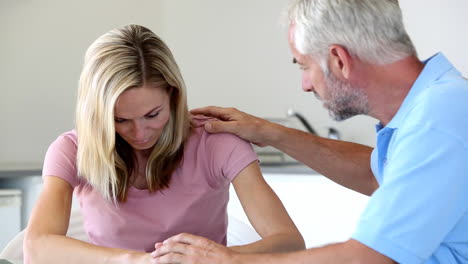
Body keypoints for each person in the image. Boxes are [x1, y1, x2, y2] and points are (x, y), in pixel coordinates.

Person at [151, 0, 468, 263]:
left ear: (339, 59)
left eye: (304, 66)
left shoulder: (439, 118)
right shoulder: (435, 107)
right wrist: (269, 132)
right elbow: (376, 174)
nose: (305, 84)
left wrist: (228, 259)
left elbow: (368, 258)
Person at [23, 24, 305, 264]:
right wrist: (136, 261)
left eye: (152, 114)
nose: (139, 133)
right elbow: (35, 248)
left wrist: (219, 258)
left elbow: (290, 243)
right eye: (120, 120)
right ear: (97, 114)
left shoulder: (217, 143)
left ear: (173, 95)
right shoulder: (72, 149)